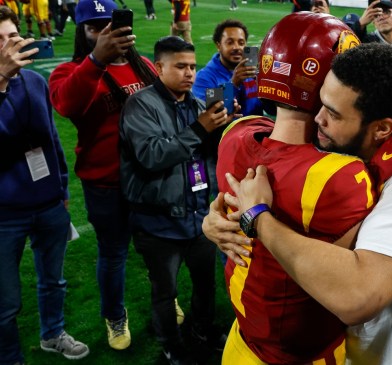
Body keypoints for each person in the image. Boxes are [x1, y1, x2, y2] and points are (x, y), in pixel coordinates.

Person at [209, 41, 392, 365]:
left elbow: (360, 294)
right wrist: (220, 217)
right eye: (321, 103)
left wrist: (257, 218)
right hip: (345, 347)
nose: (316, 118)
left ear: (382, 128)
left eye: (333, 113)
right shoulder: (347, 146)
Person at [207, 13, 377, 364]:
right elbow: (363, 281)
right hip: (302, 354)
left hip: (241, 337)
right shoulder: (340, 175)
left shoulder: (237, 133)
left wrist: (211, 223)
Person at [49, 0, 157, 351]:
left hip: (149, 180)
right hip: (105, 184)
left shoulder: (145, 67)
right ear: (82, 31)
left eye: (111, 24)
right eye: (96, 27)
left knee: (158, 245)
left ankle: (165, 298)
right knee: (113, 254)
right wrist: (97, 59)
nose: (105, 32)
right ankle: (114, 314)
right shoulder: (68, 71)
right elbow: (67, 104)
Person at [120, 36, 230, 365]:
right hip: (157, 219)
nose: (189, 74)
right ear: (159, 67)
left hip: (197, 215)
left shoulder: (198, 106)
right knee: (165, 292)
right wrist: (199, 130)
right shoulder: (140, 104)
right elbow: (151, 155)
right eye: (180, 66)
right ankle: (171, 344)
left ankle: (203, 329)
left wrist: (220, 131)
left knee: (205, 283)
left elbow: (207, 159)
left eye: (193, 67)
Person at [0, 6, 89, 364]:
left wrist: (63, 188)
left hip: (48, 203)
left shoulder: (35, 81)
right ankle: (10, 358)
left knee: (53, 281)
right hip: (4, 214)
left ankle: (53, 333)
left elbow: (51, 140)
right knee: (5, 301)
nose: (8, 45)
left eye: (11, 36)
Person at [192, 19, 262, 116]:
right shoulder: (204, 78)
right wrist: (233, 84)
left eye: (241, 43)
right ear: (218, 45)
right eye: (230, 42)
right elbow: (211, 115)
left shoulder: (253, 72)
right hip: (226, 131)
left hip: (257, 128)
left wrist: (266, 84)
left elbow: (271, 110)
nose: (236, 47)